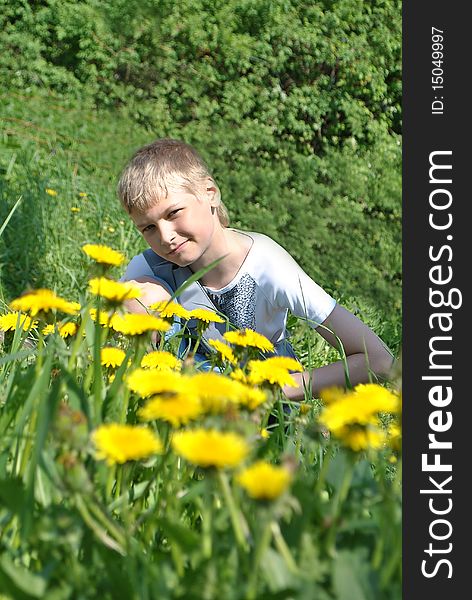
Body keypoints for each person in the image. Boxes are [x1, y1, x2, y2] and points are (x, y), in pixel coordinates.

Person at [117, 138, 394, 400]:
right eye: (149, 228)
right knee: (136, 299)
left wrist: (273, 392)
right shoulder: (150, 267)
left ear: (210, 193)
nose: (165, 237)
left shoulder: (265, 264)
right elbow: (107, 345)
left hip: (264, 399)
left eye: (174, 213)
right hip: (188, 397)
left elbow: (379, 360)